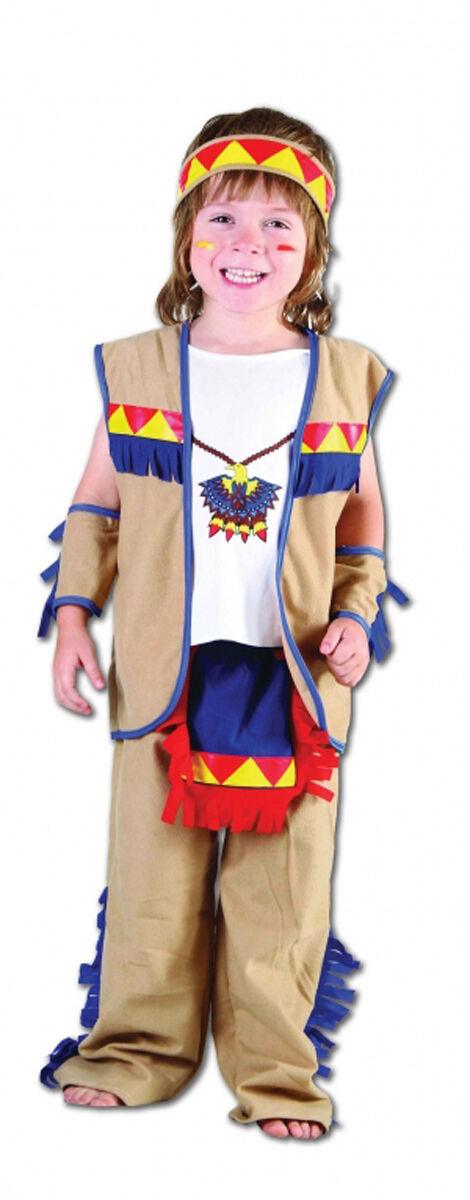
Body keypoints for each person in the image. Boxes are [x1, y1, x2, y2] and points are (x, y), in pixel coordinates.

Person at [37, 106, 409, 1139]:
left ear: (313, 250)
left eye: (279, 225)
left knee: (282, 892)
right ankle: (134, 1050)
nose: (250, 245)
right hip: (167, 669)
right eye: (225, 220)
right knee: (150, 880)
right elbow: (96, 506)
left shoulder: (344, 376)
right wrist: (72, 615)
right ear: (186, 238)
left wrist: (356, 613)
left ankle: (278, 1078)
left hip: (293, 680)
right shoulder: (137, 369)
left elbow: (361, 520)